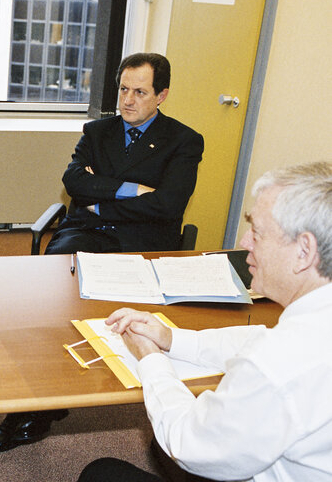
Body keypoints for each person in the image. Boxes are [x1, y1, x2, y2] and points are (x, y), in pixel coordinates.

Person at [0, 52, 204, 453]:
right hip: (84, 232)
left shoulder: (184, 141)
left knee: (115, 311)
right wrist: (131, 189)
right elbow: (73, 182)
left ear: (162, 95)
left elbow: (168, 206)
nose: (127, 101)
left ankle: (72, 391)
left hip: (140, 244)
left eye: (140, 92)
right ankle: (38, 399)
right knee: (52, 299)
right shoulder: (97, 131)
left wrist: (100, 196)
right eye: (124, 89)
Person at [79, 161, 332, 481]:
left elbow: (188, 443)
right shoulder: (313, 324)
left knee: (101, 473)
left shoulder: (278, 365)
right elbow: (259, 339)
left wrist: (151, 358)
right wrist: (171, 338)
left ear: (304, 251)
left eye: (257, 232)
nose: (244, 243)